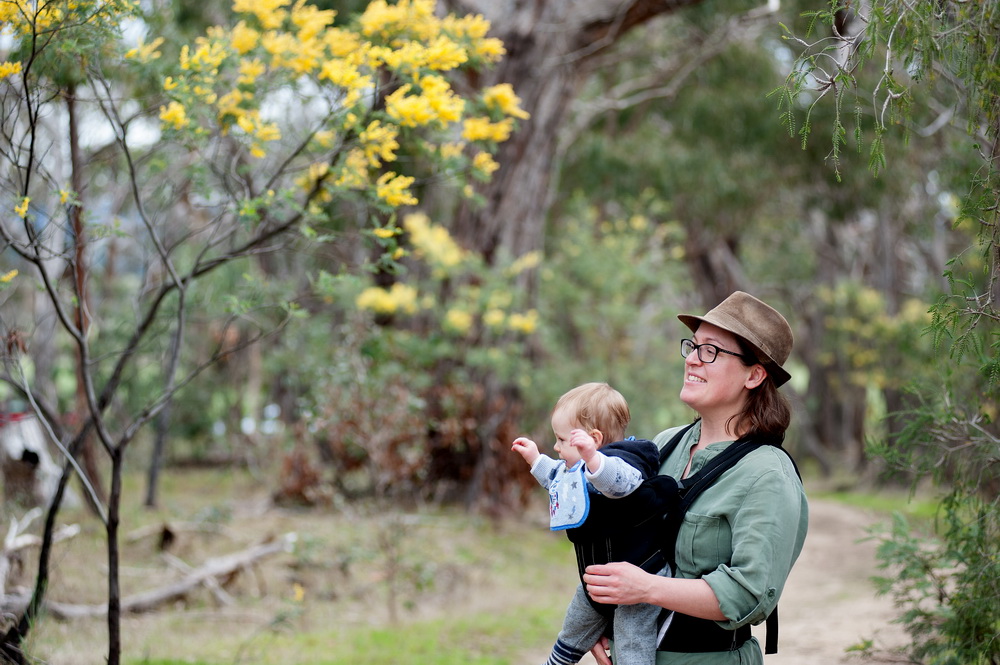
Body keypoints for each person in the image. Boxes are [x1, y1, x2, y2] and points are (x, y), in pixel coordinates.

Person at [583, 291, 809, 665]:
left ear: (754, 375)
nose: (692, 359)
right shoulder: (662, 445)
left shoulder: (767, 474)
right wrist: (602, 621)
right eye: (693, 346)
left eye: (712, 351)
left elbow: (749, 595)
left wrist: (646, 589)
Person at [511, 382, 667, 665]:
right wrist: (535, 458)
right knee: (573, 626)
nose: (557, 447)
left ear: (593, 439)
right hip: (596, 581)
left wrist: (594, 459)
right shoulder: (577, 469)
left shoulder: (629, 462)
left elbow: (618, 484)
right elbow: (558, 481)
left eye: (561, 440)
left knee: (633, 640)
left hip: (640, 581)